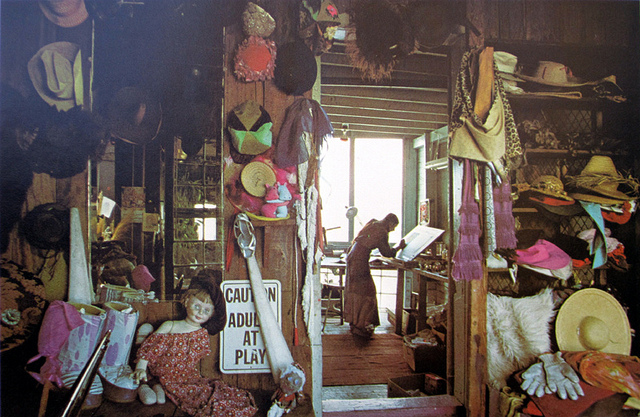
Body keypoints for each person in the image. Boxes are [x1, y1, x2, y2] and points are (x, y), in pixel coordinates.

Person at [132, 286, 257, 417]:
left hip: (186, 377)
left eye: (206, 310)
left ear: (212, 314)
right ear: (186, 302)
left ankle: (159, 388)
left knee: (203, 394)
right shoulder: (170, 326)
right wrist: (141, 367)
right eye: (197, 306)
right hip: (161, 372)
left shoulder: (201, 334)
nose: (200, 312)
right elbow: (150, 348)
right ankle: (152, 385)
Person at [344, 213, 406, 338]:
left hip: (352, 256)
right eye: (394, 227)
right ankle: (360, 325)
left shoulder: (373, 222)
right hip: (359, 260)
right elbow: (387, 253)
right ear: (390, 223)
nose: (393, 230)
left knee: (356, 291)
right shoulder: (382, 231)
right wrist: (399, 247)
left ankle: (355, 322)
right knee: (368, 293)